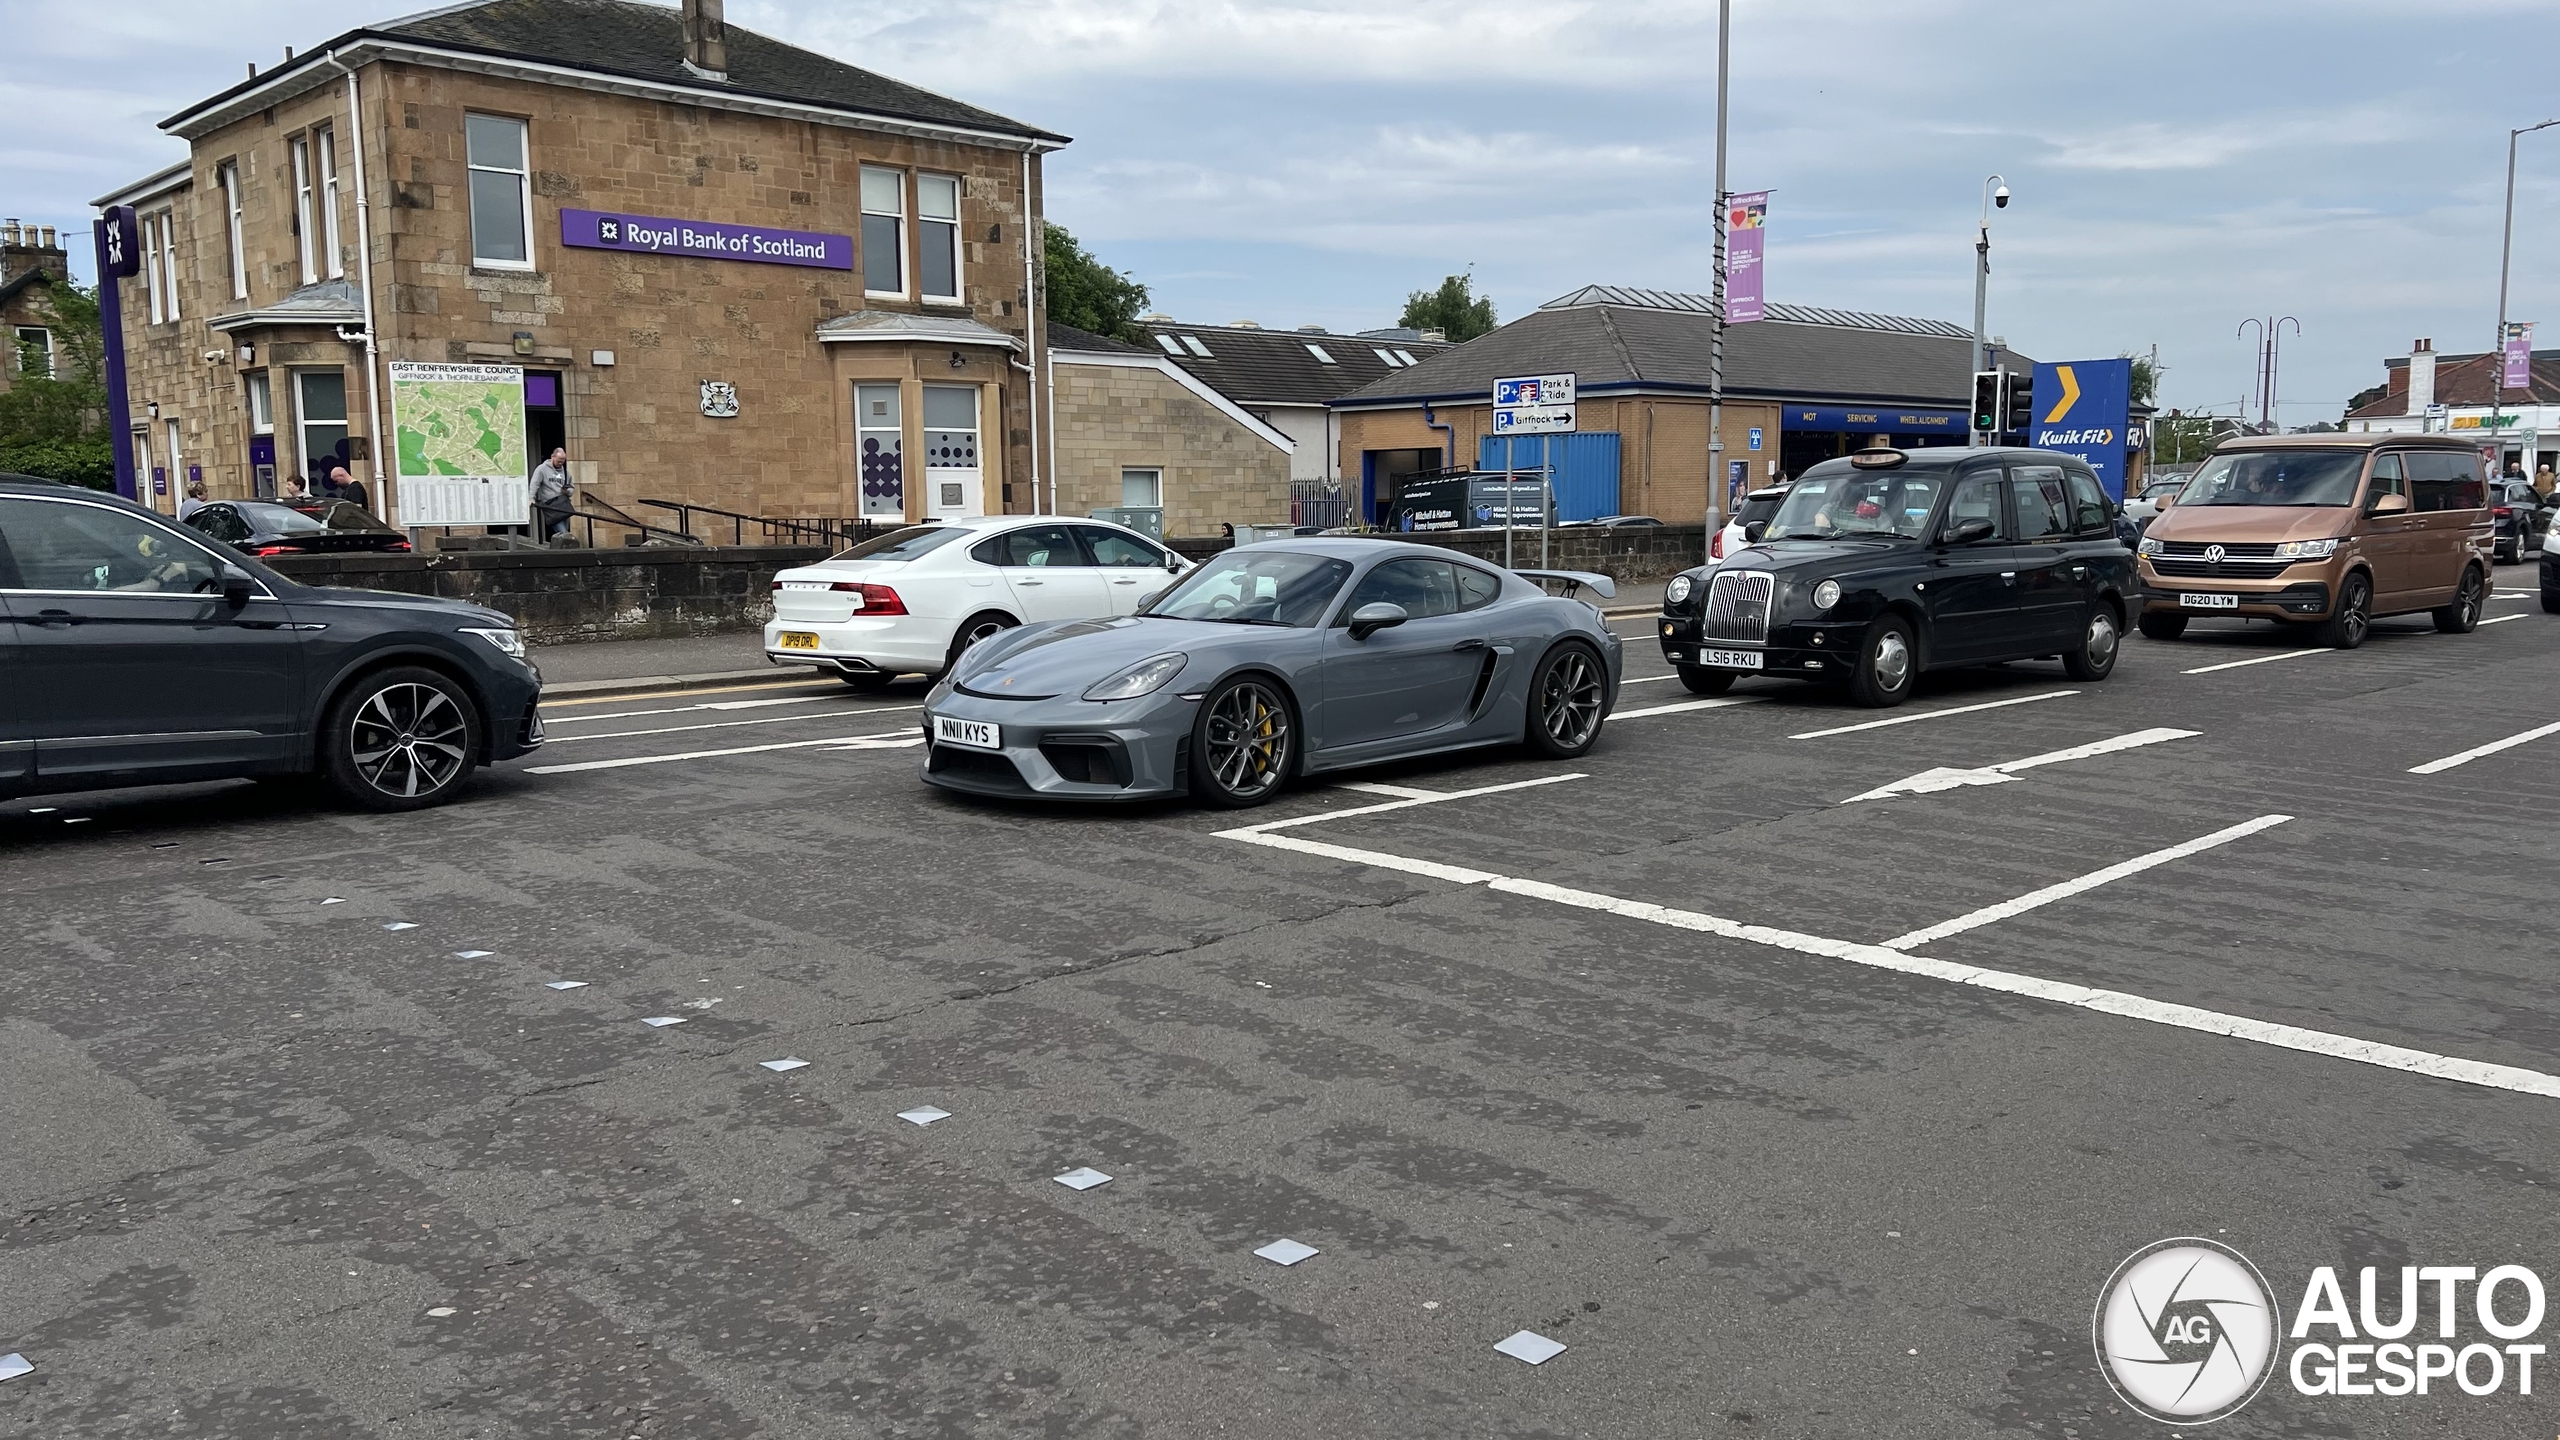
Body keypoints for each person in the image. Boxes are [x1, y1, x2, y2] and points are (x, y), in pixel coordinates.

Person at [530, 446, 573, 540]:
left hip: (563, 504)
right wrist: (531, 498)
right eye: (559, 460)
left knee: (565, 533)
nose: (560, 463)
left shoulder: (566, 472)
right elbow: (535, 483)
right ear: (552, 457)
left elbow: (571, 488)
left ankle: (563, 552)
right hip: (550, 504)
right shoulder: (542, 469)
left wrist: (567, 491)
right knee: (563, 533)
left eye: (563, 460)